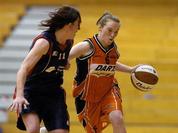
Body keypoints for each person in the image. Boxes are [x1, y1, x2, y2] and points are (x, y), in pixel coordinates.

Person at [9, 5, 81, 133]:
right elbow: (23, 68)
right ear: (69, 25)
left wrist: (64, 64)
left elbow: (59, 60)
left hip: (53, 92)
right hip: (31, 91)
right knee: (33, 129)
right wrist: (19, 95)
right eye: (77, 24)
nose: (78, 28)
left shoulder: (69, 42)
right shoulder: (44, 43)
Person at [68, 12, 139, 133]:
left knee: (117, 118)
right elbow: (65, 57)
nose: (113, 35)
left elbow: (111, 65)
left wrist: (131, 70)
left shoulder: (113, 49)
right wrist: (64, 62)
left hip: (108, 90)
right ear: (100, 28)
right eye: (110, 30)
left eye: (116, 32)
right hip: (86, 97)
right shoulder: (86, 46)